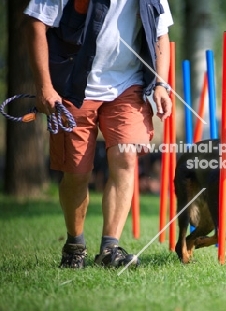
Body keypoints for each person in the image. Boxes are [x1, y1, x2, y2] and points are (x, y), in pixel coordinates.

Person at [25, 0, 173, 268]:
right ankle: (75, 244)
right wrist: (44, 86)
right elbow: (36, 24)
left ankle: (109, 248)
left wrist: (161, 84)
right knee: (77, 172)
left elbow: (161, 32)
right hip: (73, 82)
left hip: (128, 84)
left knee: (126, 159)